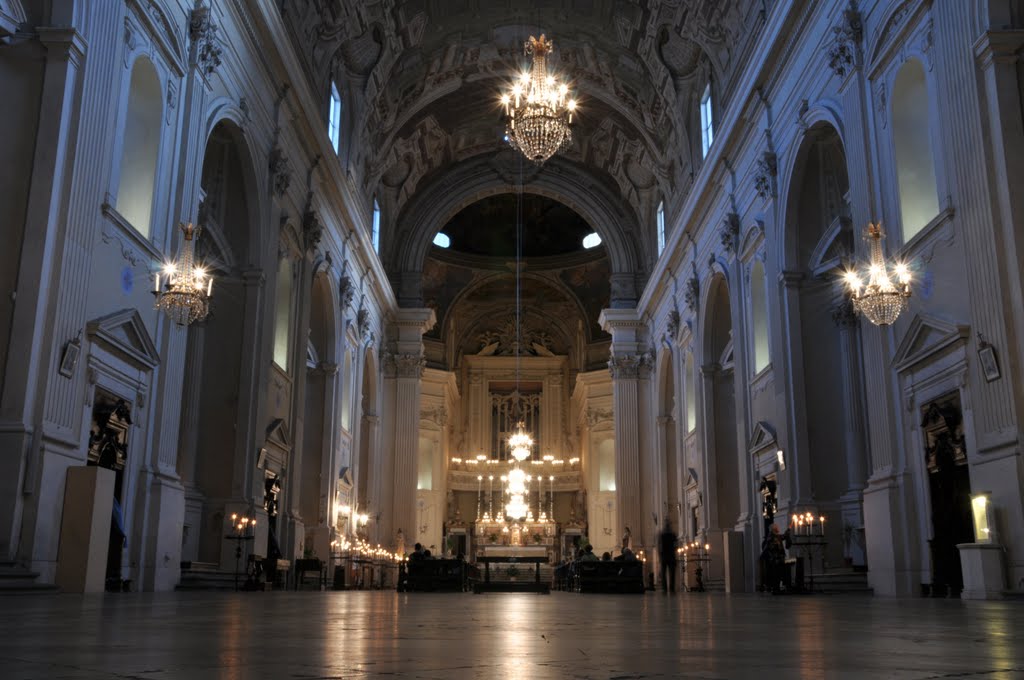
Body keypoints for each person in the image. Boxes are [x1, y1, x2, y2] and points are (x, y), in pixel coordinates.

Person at [760, 523, 791, 594]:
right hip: (775, 560)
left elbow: (784, 536)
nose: (778, 528)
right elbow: (770, 548)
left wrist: (789, 529)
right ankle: (775, 589)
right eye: (777, 527)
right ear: (774, 529)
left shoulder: (776, 536)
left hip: (778, 559)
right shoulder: (771, 537)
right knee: (776, 575)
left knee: (779, 574)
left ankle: (778, 588)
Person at [658, 519, 678, 593]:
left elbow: (659, 546)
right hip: (671, 556)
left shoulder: (662, 534)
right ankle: (671, 588)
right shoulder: (673, 534)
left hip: (664, 556)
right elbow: (676, 545)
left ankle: (665, 589)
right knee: (672, 573)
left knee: (664, 574)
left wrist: (660, 556)